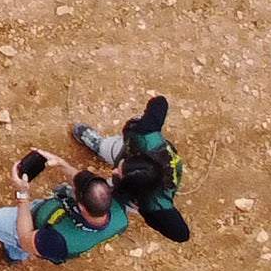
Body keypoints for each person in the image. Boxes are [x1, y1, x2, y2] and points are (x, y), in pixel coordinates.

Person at [0, 150, 132, 266]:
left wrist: (22, 194)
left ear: (81, 207)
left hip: (32, 230)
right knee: (20, 248)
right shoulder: (117, 212)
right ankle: (13, 256)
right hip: (46, 226)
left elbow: (27, 239)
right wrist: (61, 164)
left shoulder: (58, 242)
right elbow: (83, 183)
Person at [75, 97, 195, 245]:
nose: (113, 172)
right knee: (111, 148)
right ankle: (99, 145)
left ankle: (98, 204)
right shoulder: (145, 136)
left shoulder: (152, 203)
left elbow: (182, 234)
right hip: (133, 151)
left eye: (119, 174)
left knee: (105, 200)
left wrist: (147, 213)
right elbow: (160, 102)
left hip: (143, 192)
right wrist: (144, 122)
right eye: (121, 168)